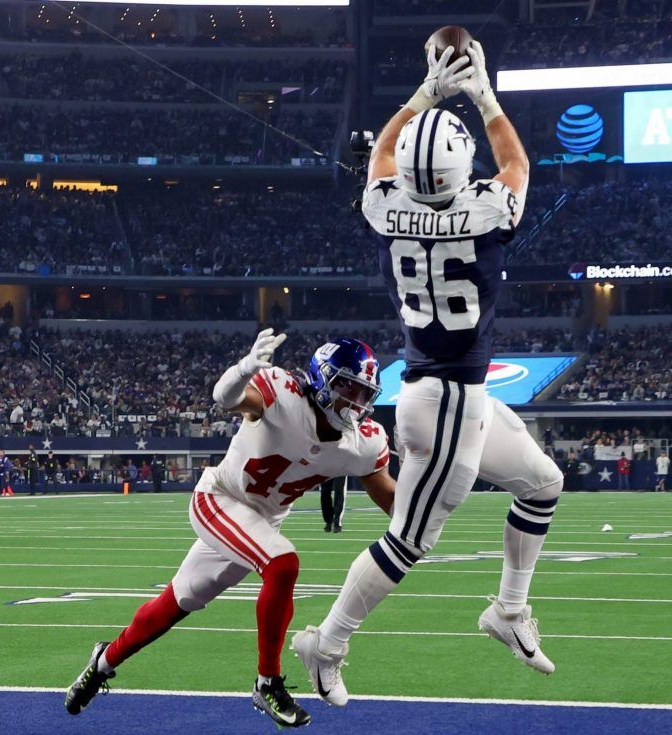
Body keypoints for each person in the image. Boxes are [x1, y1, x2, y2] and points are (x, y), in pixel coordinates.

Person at [292, 39, 562, 708]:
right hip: (446, 402)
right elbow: (517, 162)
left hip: (443, 392)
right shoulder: (484, 210)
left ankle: (507, 609)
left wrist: (422, 93)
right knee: (407, 540)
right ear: (460, 166)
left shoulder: (383, 205)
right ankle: (325, 642)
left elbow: (382, 156)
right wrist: (482, 93)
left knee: (541, 482)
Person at [64, 332, 395, 729]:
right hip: (219, 500)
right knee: (283, 564)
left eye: (363, 393)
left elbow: (390, 498)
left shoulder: (362, 442)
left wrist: (429, 509)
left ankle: (102, 662)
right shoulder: (282, 394)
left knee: (173, 605)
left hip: (259, 522)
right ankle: (267, 682)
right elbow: (226, 398)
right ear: (323, 378)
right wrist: (244, 368)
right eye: (347, 388)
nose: (356, 403)